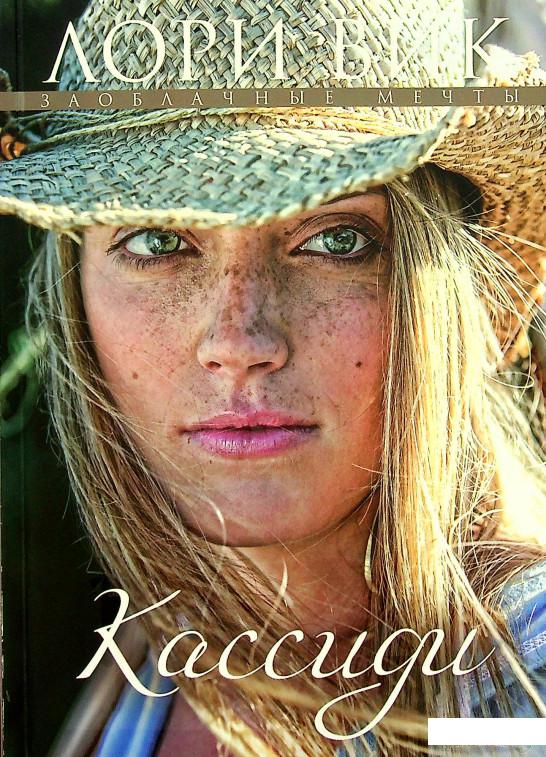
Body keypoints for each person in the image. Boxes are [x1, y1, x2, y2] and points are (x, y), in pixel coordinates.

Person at [0, 0, 545, 754]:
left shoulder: (522, 700)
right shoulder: (160, 645)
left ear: (449, 288)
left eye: (337, 240)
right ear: (75, 293)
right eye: (156, 240)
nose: (239, 341)